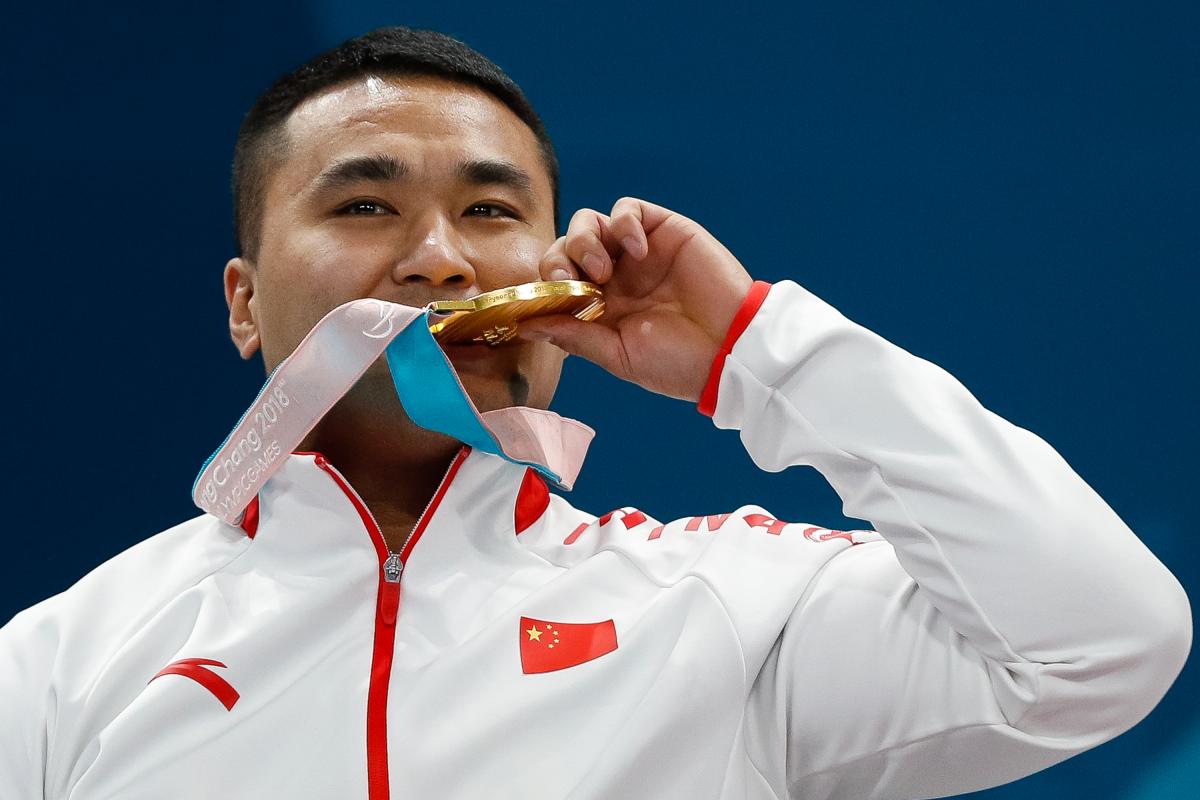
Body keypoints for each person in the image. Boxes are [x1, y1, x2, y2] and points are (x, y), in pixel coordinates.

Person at [0, 25, 1190, 800]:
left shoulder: (725, 609)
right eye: (364, 205)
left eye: (487, 211)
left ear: (553, 270)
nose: (438, 261)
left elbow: (1101, 645)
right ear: (244, 302)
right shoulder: (61, 664)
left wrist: (758, 349)